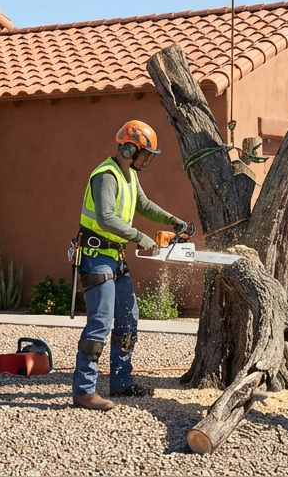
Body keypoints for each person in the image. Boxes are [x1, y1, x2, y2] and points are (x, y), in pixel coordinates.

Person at [71, 119, 188, 411]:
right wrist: (142, 237)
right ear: (128, 149)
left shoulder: (129, 176)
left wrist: (173, 220)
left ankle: (121, 381)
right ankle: (84, 391)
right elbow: (106, 218)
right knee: (100, 322)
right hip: (96, 256)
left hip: (116, 256)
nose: (147, 159)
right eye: (145, 153)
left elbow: (143, 204)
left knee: (128, 318)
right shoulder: (106, 175)